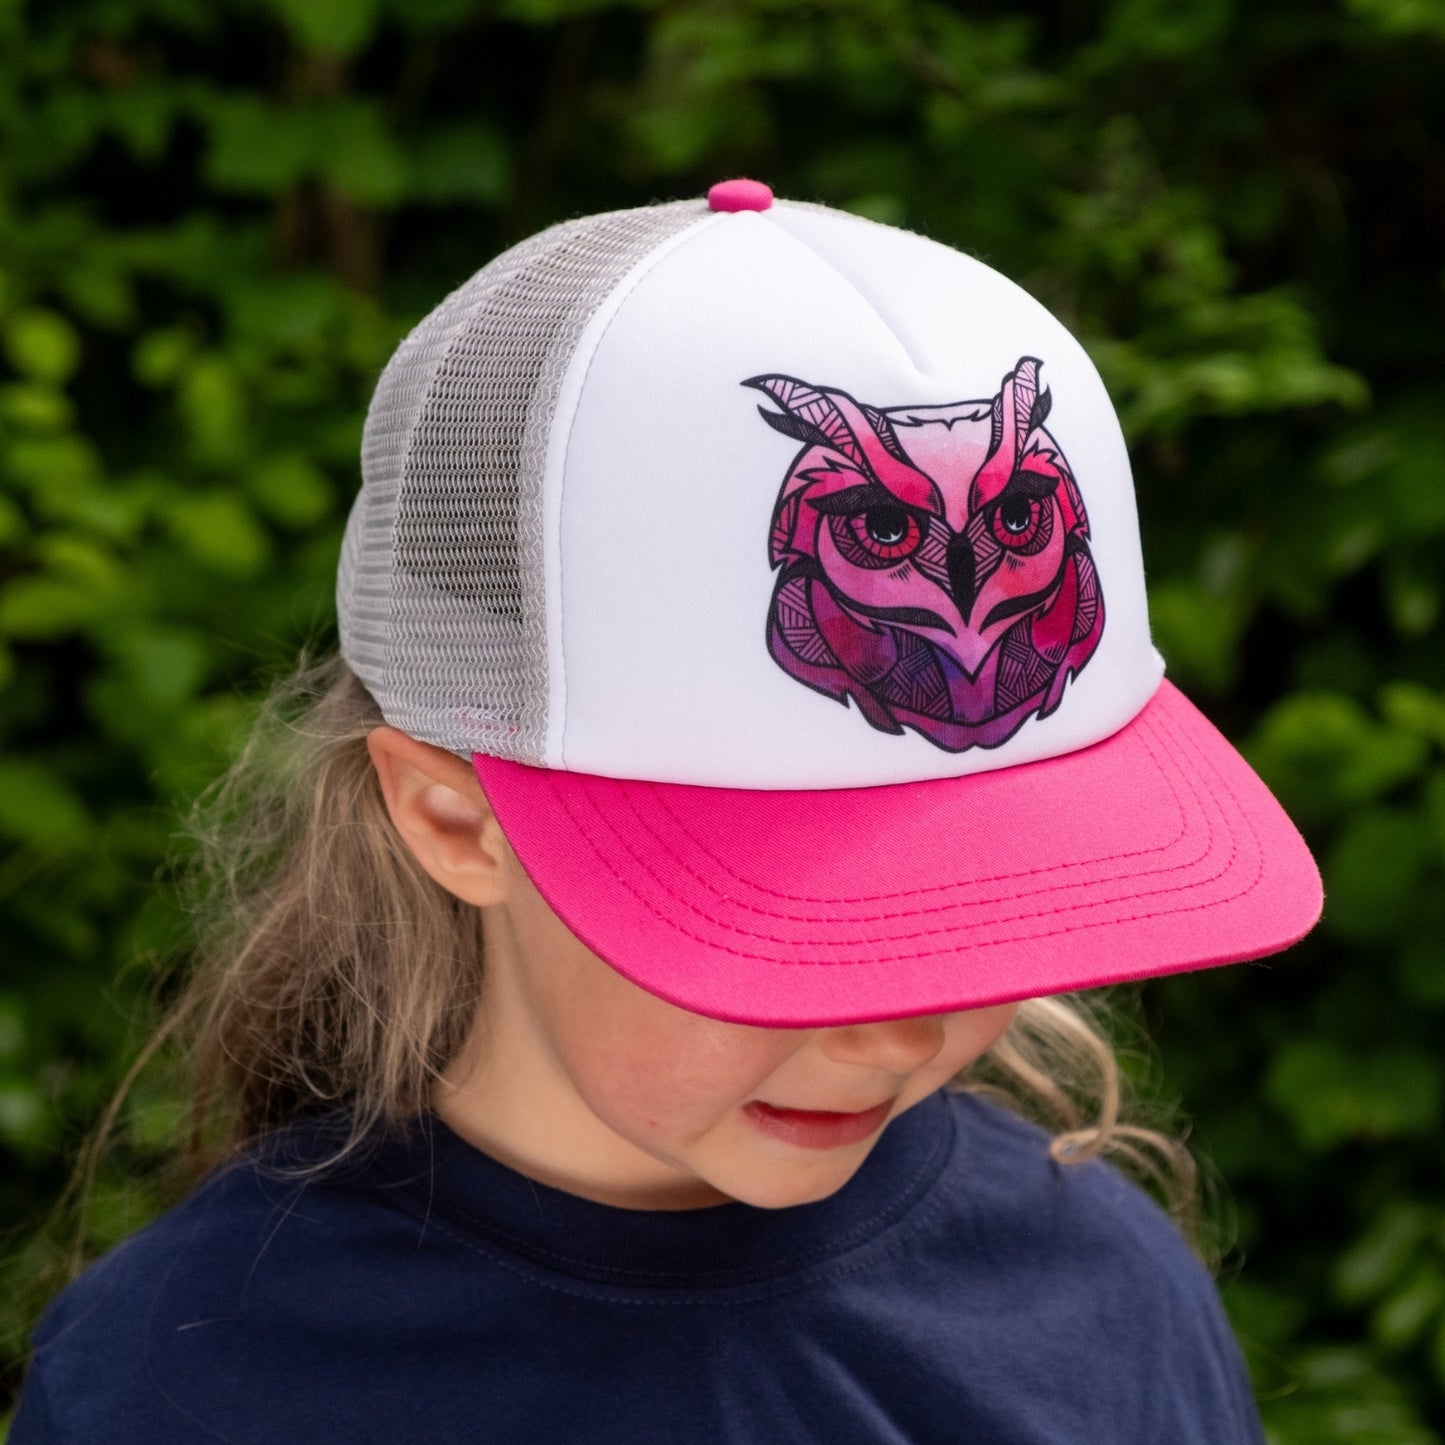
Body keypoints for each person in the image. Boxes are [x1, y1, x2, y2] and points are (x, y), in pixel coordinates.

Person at [9, 178, 1321, 1444]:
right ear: (456, 822)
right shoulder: (187, 1377)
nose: (901, 1027)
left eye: (987, 899)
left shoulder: (1096, 1297)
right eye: (797, 925)